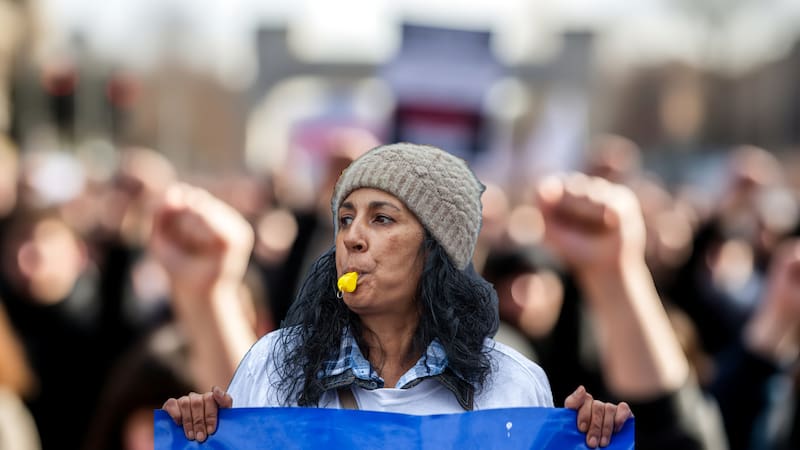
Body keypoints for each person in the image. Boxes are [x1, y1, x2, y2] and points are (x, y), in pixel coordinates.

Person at [160, 143, 632, 448]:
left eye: (381, 219)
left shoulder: (510, 383)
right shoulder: (273, 364)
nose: (352, 238)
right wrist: (201, 431)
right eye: (346, 219)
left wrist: (590, 436)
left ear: (436, 249)